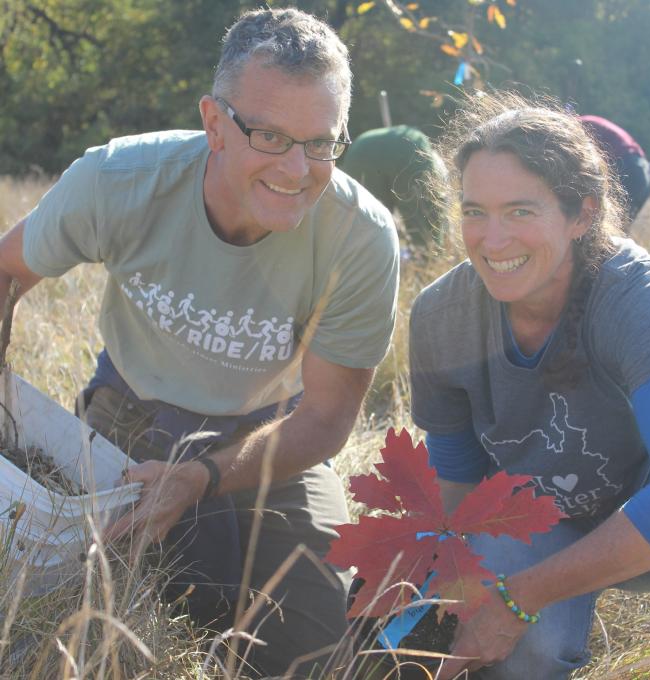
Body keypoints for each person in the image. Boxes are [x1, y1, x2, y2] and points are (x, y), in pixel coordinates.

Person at [0, 7, 399, 677]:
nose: (298, 169)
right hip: (129, 414)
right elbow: (9, 270)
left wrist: (202, 477)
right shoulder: (119, 181)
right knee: (76, 617)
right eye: (270, 136)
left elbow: (326, 418)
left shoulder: (360, 238)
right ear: (214, 123)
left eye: (322, 142)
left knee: (314, 646)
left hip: (269, 440)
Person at [409, 92, 650, 679]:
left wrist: (519, 597)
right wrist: (435, 580)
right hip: (537, 523)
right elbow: (455, 473)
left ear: (582, 214)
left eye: (521, 211)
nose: (492, 238)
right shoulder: (441, 316)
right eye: (474, 210)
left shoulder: (635, 300)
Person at [340, 125, 449, 251]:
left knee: (363, 227)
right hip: (409, 150)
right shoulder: (436, 170)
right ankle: (424, 261)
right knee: (425, 231)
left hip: (358, 150)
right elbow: (438, 213)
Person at [579, 114, 650, 232]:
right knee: (619, 230)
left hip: (630, 168)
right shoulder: (590, 121)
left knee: (607, 230)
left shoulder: (579, 126)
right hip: (645, 173)